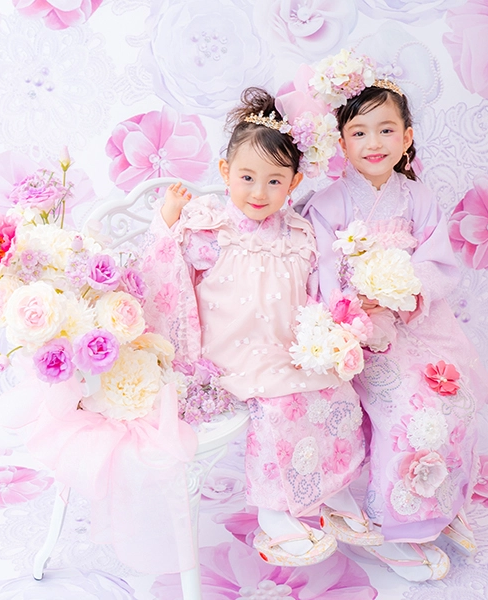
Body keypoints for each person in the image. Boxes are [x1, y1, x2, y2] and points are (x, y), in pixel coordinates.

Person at [142, 87, 383, 567]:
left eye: (274, 181)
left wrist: (325, 337)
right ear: (225, 172)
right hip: (232, 351)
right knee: (281, 407)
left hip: (284, 345)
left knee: (336, 393)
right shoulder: (211, 229)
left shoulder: (299, 233)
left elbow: (313, 292)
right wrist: (167, 222)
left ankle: (329, 490)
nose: (258, 192)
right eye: (247, 178)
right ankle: (275, 512)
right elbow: (166, 276)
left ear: (294, 182)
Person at [302, 52, 488, 581]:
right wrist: (352, 305)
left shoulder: (419, 198)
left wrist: (406, 290)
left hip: (417, 324)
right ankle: (396, 526)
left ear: (407, 137)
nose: (374, 143)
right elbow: (320, 272)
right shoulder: (328, 204)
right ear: (341, 143)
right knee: (412, 410)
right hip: (359, 333)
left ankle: (442, 501)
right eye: (359, 132)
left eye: (386, 129)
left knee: (455, 400)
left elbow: (437, 264)